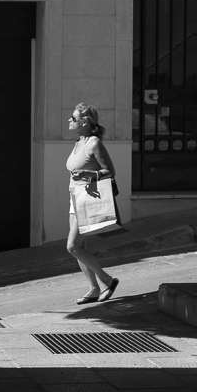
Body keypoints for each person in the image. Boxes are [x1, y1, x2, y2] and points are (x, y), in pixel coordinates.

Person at [66, 103, 119, 304]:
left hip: (88, 198)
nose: (69, 120)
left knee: (73, 246)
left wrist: (90, 173)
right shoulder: (79, 142)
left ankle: (107, 280)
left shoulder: (94, 143)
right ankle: (94, 288)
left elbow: (110, 171)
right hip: (75, 197)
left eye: (73, 117)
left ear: (84, 121)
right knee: (81, 245)